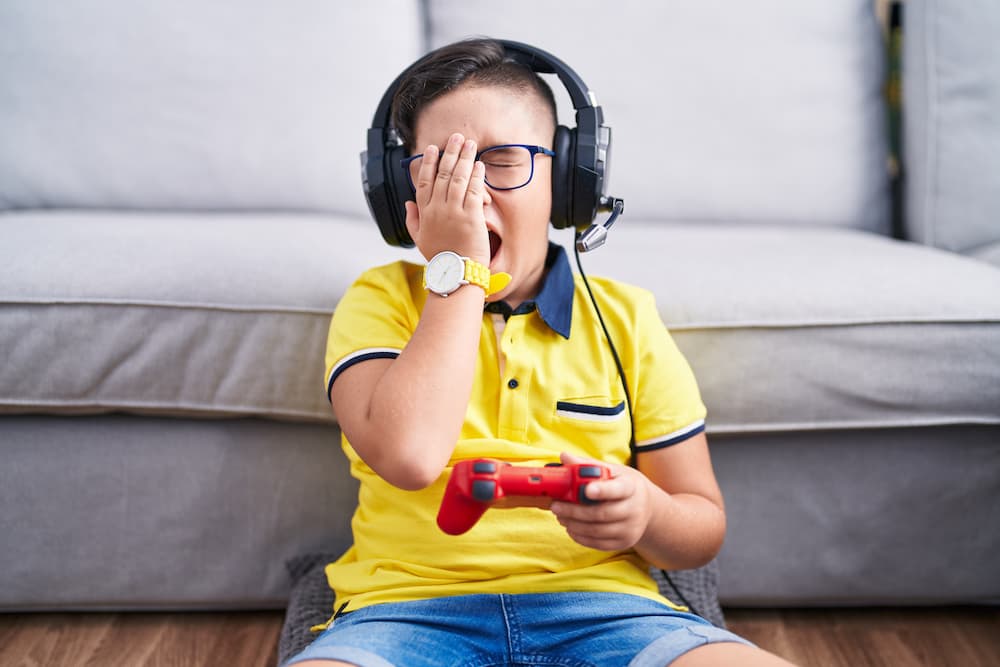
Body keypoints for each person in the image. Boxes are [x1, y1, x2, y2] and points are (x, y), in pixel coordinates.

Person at [287, 38, 796, 667]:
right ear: (402, 197)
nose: (470, 196)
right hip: (403, 612)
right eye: (442, 168)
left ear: (565, 182)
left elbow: (700, 529)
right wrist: (458, 271)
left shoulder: (624, 317)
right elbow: (412, 457)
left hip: (607, 609)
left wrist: (648, 513)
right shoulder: (381, 300)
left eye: (501, 160)